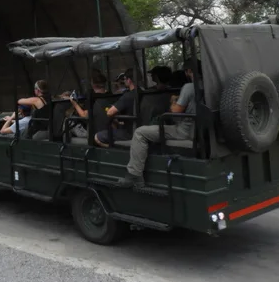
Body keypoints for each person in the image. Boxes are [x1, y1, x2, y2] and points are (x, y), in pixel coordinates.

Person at [117, 60, 200, 189]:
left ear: (189, 71)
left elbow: (175, 111)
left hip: (184, 131)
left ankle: (134, 174)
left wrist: (173, 101)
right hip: (198, 130)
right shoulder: (208, 84)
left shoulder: (189, 87)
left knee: (139, 132)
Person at [96, 67, 138, 147]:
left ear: (129, 80)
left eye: (124, 79)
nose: (124, 81)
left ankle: (115, 151)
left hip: (130, 132)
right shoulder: (143, 92)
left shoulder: (128, 96)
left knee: (97, 136)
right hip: (138, 128)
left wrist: (113, 108)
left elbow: (109, 112)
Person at [67, 71, 112, 140]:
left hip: (95, 131)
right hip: (109, 128)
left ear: (92, 84)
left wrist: (75, 104)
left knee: (68, 121)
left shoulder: (93, 98)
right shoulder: (110, 95)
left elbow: (84, 115)